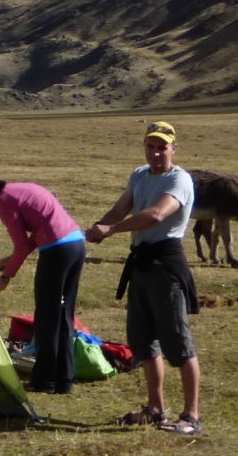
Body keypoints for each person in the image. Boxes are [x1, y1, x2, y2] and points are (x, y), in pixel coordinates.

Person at [86, 119, 202, 436]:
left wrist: (110, 230)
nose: (155, 153)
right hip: (140, 264)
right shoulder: (139, 175)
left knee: (178, 342)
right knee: (144, 340)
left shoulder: (179, 179)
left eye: (162, 147)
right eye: (150, 146)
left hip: (166, 264)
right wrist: (95, 229)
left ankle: (192, 417)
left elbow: (156, 215)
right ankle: (155, 408)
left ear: (173, 148)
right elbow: (119, 210)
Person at [0, 175, 86, 396]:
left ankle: (45, 380)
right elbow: (33, 237)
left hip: (56, 252)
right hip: (76, 244)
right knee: (63, 314)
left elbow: (22, 246)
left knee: (47, 317)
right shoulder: (21, 188)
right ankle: (64, 379)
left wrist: (5, 278)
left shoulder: (2, 201)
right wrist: (10, 258)